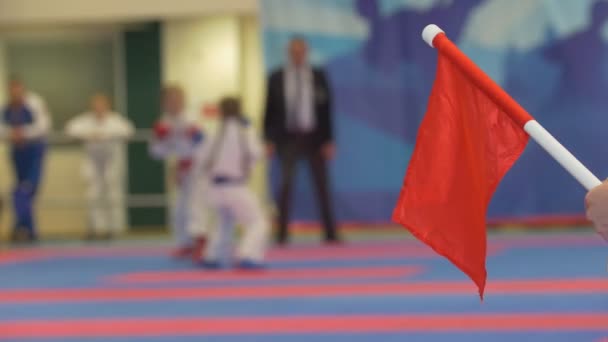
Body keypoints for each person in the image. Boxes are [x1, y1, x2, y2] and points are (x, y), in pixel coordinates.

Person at [263, 37, 339, 245]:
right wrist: (268, 140)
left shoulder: (317, 76)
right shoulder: (276, 77)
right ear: (288, 53)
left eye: (301, 51)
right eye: (293, 51)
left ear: (306, 52)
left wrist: (329, 140)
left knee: (322, 186)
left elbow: (326, 110)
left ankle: (330, 234)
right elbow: (268, 111)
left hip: (314, 137)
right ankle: (282, 235)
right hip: (287, 138)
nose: (297, 55)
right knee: (286, 185)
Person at [195, 97, 269, 269]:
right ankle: (247, 254)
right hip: (236, 186)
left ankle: (211, 255)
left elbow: (200, 159)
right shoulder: (245, 131)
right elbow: (258, 153)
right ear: (240, 110)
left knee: (223, 222)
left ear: (220, 111)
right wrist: (250, 129)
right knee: (258, 222)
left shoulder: (211, 130)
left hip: (215, 187)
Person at [65, 94, 134, 240]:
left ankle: (113, 229)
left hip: (111, 162)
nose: (98, 108)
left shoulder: (115, 120)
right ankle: (96, 229)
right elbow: (70, 129)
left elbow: (129, 131)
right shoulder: (85, 120)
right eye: (96, 105)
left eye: (101, 105)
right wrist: (89, 134)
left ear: (107, 106)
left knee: (112, 194)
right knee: (93, 195)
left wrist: (106, 135)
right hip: (93, 163)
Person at [149, 85, 207, 259]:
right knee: (179, 209)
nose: (174, 103)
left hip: (199, 168)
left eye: (177, 98)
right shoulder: (164, 122)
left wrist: (196, 136)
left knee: (196, 207)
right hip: (180, 169)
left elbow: (208, 144)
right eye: (170, 99)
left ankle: (201, 243)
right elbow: (156, 153)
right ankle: (185, 243)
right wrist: (160, 138)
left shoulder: (193, 118)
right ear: (164, 103)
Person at [0, 78, 51, 243]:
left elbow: (44, 125)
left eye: (18, 90)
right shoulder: (6, 108)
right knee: (19, 192)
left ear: (23, 89)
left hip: (34, 151)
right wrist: (11, 134)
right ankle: (27, 230)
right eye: (12, 90)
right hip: (17, 153)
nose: (15, 93)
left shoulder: (34, 103)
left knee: (26, 190)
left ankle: (21, 227)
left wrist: (24, 133)